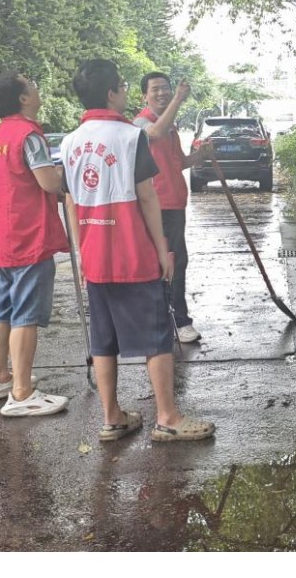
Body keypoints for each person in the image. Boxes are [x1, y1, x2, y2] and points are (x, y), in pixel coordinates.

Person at [64, 59, 212, 443]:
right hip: (133, 252)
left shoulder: (70, 142)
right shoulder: (131, 138)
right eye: (123, 85)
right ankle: (168, 417)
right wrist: (162, 251)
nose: (126, 91)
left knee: (103, 339)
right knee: (157, 334)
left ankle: (112, 418)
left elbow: (70, 201)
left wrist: (81, 252)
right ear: (111, 93)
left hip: (95, 255)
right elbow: (147, 196)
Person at [0, 72, 71, 417]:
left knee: (3, 308)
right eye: (31, 86)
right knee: (26, 314)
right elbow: (48, 182)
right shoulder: (28, 135)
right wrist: (66, 176)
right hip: (26, 235)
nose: (37, 89)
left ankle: (0, 377)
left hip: (1, 236)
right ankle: (22, 392)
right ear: (23, 98)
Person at [136, 72, 198, 344]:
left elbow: (179, 162)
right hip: (156, 205)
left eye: (166, 88)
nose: (162, 93)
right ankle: (177, 321)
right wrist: (178, 100)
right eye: (155, 89)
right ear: (145, 96)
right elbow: (154, 132)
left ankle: (169, 318)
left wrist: (202, 155)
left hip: (174, 205)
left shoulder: (170, 128)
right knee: (169, 262)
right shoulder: (141, 122)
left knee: (176, 261)